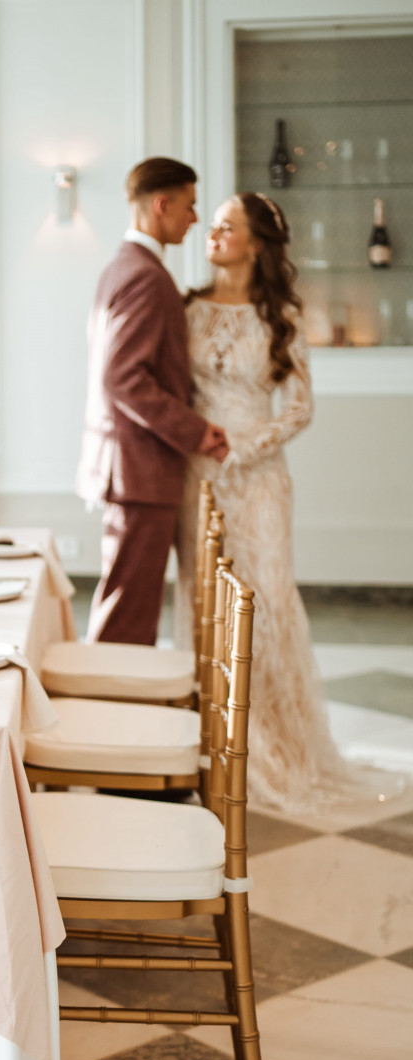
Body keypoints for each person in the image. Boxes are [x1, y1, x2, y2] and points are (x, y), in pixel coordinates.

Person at [174, 191, 405, 814]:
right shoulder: (187, 308)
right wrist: (204, 448)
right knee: (203, 604)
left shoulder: (284, 314)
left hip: (260, 478)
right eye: (213, 226)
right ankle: (210, 748)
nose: (213, 234)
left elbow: (301, 407)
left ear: (256, 243)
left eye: (227, 227)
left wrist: (240, 448)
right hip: (195, 476)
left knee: (269, 603)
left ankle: (281, 750)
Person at [77, 157, 229, 646]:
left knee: (126, 605)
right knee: (128, 616)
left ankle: (114, 707)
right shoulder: (146, 275)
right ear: (161, 205)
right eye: (189, 206)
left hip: (129, 467)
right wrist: (195, 430)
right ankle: (112, 715)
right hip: (141, 471)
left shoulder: (122, 266)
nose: (194, 218)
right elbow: (123, 377)